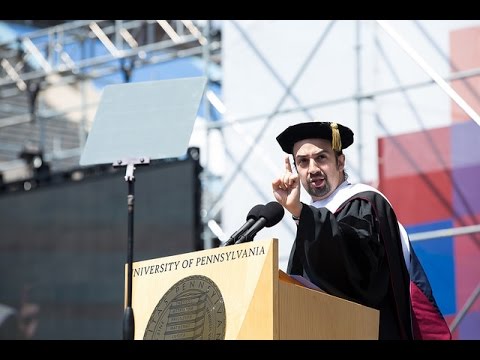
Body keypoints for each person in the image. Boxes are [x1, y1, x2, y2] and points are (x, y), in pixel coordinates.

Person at [272, 121, 451, 340]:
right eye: (303, 162)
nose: (312, 169)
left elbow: (353, 263)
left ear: (340, 161)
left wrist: (301, 212)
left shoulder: (364, 203)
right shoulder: (310, 219)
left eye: (321, 158)